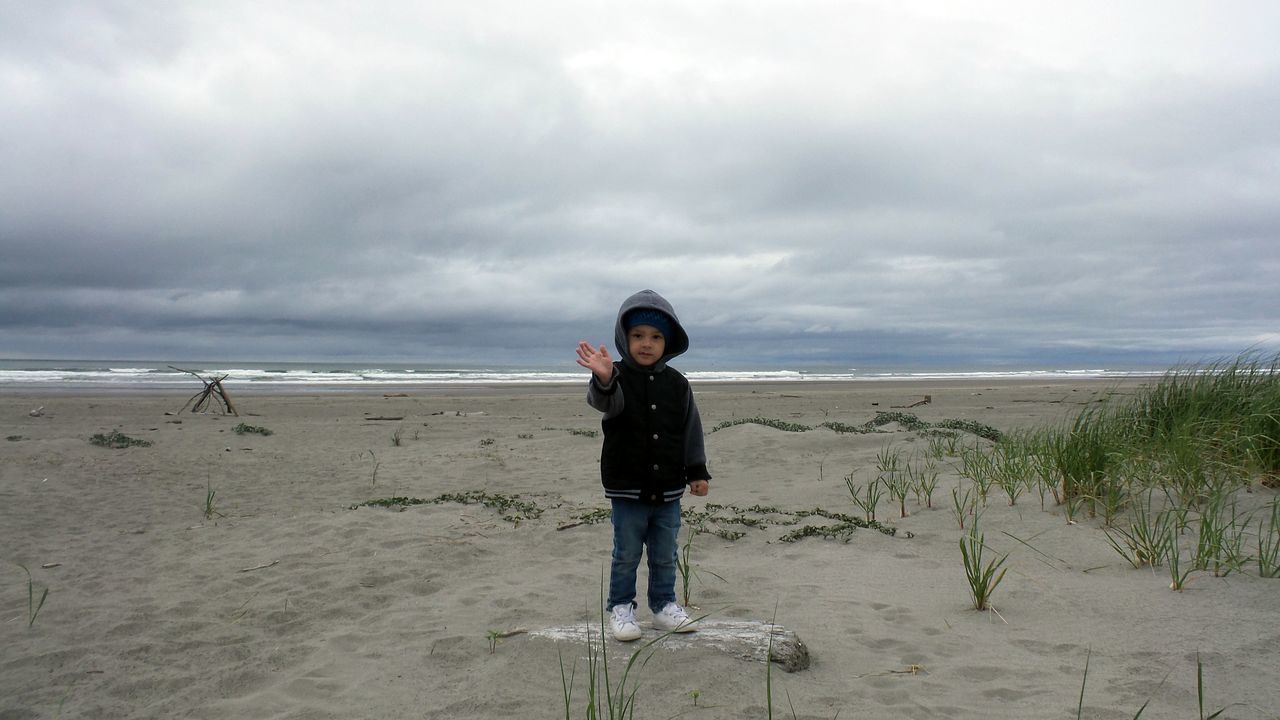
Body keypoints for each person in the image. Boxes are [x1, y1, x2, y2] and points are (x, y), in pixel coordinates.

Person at [575, 289, 712, 642]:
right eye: (638, 335)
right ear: (625, 338)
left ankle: (665, 606)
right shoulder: (616, 376)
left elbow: (690, 429)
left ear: (668, 342)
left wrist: (696, 471)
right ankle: (621, 608)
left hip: (668, 487)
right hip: (627, 486)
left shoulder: (678, 384)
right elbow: (603, 401)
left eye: (655, 337)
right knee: (627, 553)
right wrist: (604, 378)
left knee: (665, 552)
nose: (646, 344)